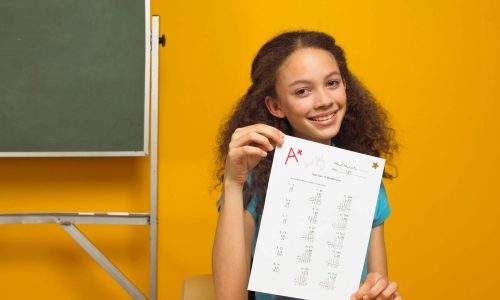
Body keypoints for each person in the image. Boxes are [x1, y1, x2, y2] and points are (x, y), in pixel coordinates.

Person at [212, 30, 401, 300]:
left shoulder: (364, 179)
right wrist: (232, 184)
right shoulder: (254, 178)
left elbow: (376, 281)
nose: (324, 101)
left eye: (332, 83)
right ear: (276, 106)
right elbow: (229, 297)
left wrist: (381, 294)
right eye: (303, 91)